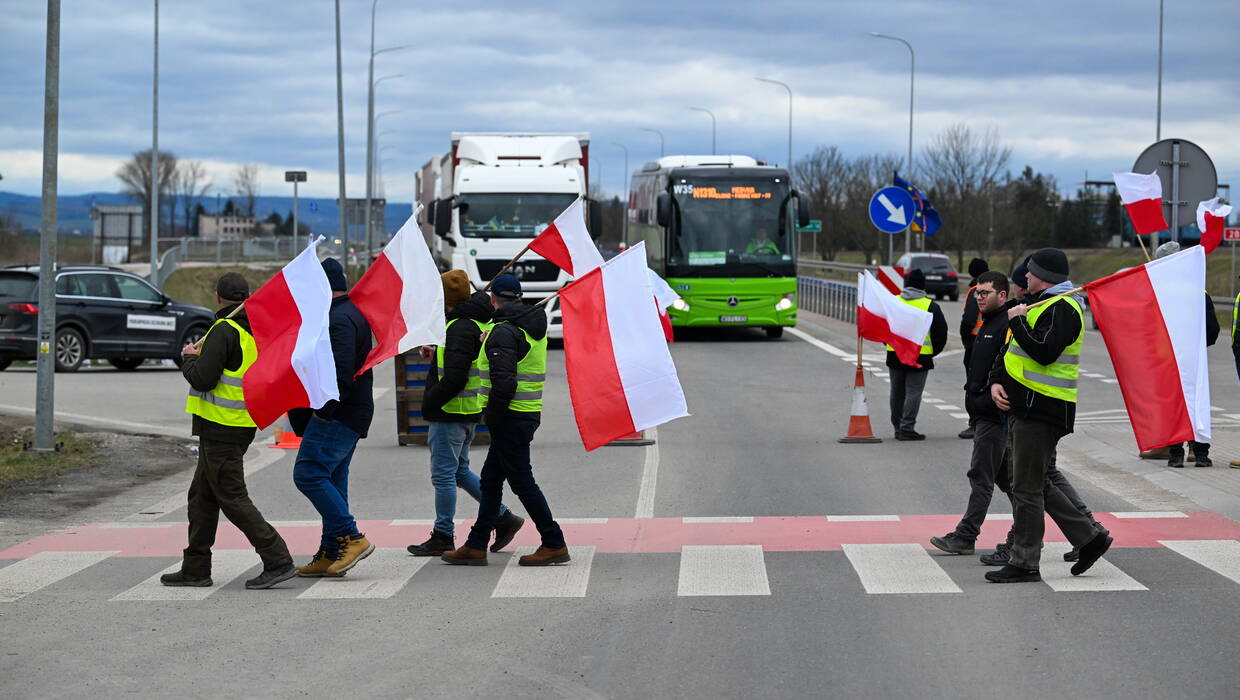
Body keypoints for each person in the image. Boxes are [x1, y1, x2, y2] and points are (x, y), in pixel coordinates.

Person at [986, 248, 1112, 583]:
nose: (1025, 277)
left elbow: (1043, 352)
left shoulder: (1063, 307)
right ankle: (1089, 537)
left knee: (1026, 488)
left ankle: (1025, 562)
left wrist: (1017, 321)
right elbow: (1013, 351)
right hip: (1026, 406)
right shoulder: (1040, 304)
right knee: (1034, 483)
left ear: (1045, 275)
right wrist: (997, 380)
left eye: (1030, 271)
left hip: (1042, 409)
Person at [163, 273, 296, 590]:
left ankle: (278, 559)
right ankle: (195, 567)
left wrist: (188, 360)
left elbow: (204, 379)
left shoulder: (223, 329)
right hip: (239, 426)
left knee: (232, 497)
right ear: (246, 297)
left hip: (220, 427)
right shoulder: (255, 330)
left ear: (218, 298)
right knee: (201, 498)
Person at [441, 274, 569, 567]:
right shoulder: (529, 326)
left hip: (510, 417)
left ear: (493, 299)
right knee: (490, 480)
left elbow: (504, 383)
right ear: (519, 297)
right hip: (525, 413)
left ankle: (554, 542)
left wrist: (493, 418)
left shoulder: (504, 332)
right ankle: (476, 544)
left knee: (523, 483)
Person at [407, 270, 525, 556]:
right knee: (458, 471)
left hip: (451, 409)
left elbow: (456, 376)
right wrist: (436, 354)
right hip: (468, 408)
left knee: (444, 475)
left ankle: (443, 535)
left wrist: (431, 403)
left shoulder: (459, 326)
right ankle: (502, 516)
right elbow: (465, 360)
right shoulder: (479, 320)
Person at [292, 258, 376, 578]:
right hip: (351, 411)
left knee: (309, 474)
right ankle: (331, 550)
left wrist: (322, 412)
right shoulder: (350, 312)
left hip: (339, 412)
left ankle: (351, 537)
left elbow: (340, 372)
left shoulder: (339, 319)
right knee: (333, 481)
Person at [930, 270, 1015, 555]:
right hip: (983, 413)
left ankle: (966, 536)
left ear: (1002, 295)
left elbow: (1005, 366)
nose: (978, 297)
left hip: (994, 415)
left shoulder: (1006, 324)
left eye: (985, 293)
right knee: (1009, 481)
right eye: (977, 292)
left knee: (981, 475)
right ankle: (1030, 529)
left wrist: (991, 391)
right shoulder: (989, 322)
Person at [1150, 243, 1221, 468]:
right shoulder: (1199, 291)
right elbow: (1213, 329)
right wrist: (1199, 346)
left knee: (1173, 404)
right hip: (1194, 359)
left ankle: (1175, 455)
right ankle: (1200, 454)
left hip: (1167, 358)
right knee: (1197, 402)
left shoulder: (1159, 293)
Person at [887, 268, 948, 441]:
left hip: (895, 355)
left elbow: (884, 328)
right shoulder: (930, 306)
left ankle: (897, 427)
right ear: (923, 286)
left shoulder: (894, 302)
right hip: (919, 357)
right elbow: (940, 334)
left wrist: (890, 345)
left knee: (896, 392)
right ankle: (907, 428)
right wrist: (931, 353)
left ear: (905, 284)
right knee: (913, 392)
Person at [958, 258, 990, 439]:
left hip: (975, 343)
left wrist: (966, 342)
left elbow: (969, 320)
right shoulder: (993, 288)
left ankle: (974, 423)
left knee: (973, 385)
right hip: (990, 342)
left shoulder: (975, 291)